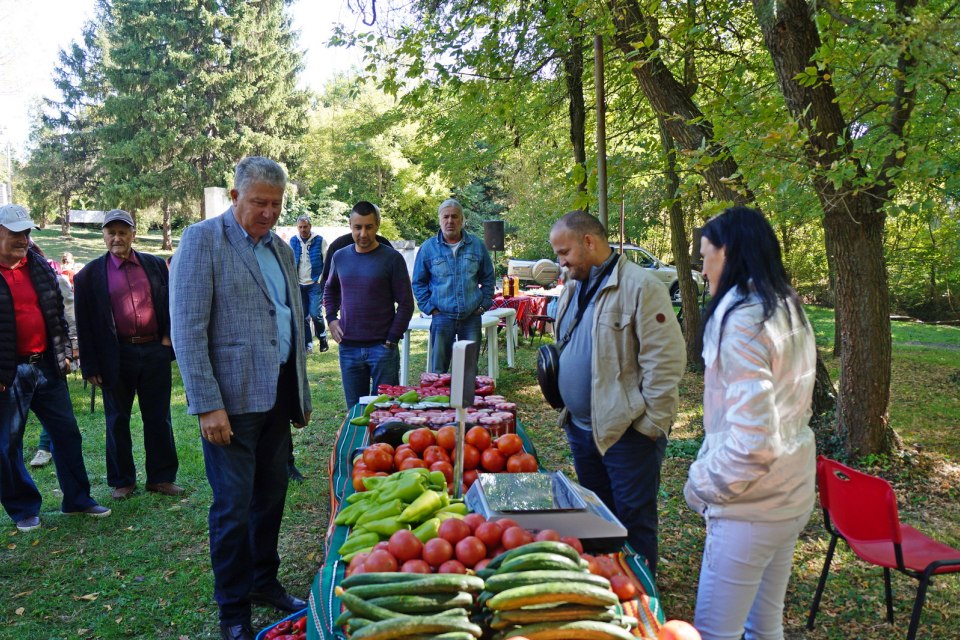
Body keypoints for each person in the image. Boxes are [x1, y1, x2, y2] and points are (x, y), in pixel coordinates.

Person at [170, 157, 312, 640]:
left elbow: (290, 319)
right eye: (259, 203)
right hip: (229, 403)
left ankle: (263, 583)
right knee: (233, 506)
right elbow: (187, 329)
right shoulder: (201, 241)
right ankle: (233, 609)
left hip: (277, 395)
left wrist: (300, 392)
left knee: (271, 498)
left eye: (276, 204)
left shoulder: (282, 250)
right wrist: (207, 403)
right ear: (234, 198)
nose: (269, 213)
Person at [684, 206, 816, 640]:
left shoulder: (743, 320)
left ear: (731, 253)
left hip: (751, 508)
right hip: (787, 496)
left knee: (715, 633)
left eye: (706, 257)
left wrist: (701, 482)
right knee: (765, 626)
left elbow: (754, 443)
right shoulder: (785, 306)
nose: (702, 271)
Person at [549, 210, 685, 578]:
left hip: (627, 435)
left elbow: (666, 362)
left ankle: (640, 592)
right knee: (598, 518)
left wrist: (651, 425)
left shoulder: (642, 286)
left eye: (565, 253)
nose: (561, 262)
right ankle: (610, 589)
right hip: (581, 429)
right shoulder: (575, 284)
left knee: (632, 521)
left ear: (589, 242)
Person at [0, 203, 111, 532]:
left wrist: (64, 351)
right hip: (9, 373)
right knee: (8, 444)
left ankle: (77, 500)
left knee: (67, 434)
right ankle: (23, 508)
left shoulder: (39, 266)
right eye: (14, 233)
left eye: (26, 232)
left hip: (46, 366)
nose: (23, 238)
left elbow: (56, 314)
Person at [74, 209, 182, 501]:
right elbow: (84, 324)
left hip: (154, 350)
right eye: (112, 232)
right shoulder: (88, 276)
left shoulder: (156, 265)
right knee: (117, 419)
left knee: (159, 417)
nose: (117, 238)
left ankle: (161, 478)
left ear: (133, 234)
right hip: (115, 355)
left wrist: (166, 342)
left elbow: (171, 303)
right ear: (104, 236)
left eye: (123, 232)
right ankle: (123, 480)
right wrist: (91, 366)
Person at [324, 201, 414, 409]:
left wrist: (391, 340)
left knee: (385, 413)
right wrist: (331, 319)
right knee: (355, 413)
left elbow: (406, 303)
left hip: (382, 349)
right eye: (358, 227)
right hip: (348, 347)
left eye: (369, 227)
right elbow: (330, 289)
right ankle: (358, 444)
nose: (363, 233)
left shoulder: (392, 259)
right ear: (350, 225)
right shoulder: (340, 256)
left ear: (378, 225)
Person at [412, 198, 495, 373]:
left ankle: (466, 400)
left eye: (455, 216)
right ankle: (440, 400)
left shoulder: (477, 246)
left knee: (469, 368)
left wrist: (482, 305)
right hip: (441, 318)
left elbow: (488, 278)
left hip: (471, 317)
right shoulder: (428, 248)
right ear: (440, 220)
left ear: (462, 219)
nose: (450, 221)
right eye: (446, 217)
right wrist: (430, 308)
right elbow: (418, 282)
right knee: (438, 370)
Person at [26, 242, 78, 468]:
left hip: (49, 361)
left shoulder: (54, 278)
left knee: (64, 427)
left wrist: (71, 349)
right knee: (9, 437)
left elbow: (67, 315)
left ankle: (45, 448)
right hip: (12, 367)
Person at [289, 214, 328, 355]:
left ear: (310, 226)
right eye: (300, 227)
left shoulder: (320, 241)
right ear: (297, 227)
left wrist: (320, 280)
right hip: (299, 285)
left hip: (314, 284)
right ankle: (308, 345)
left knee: (315, 313)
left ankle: (322, 338)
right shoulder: (293, 241)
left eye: (305, 227)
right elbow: (289, 262)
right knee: (303, 316)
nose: (303, 229)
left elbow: (327, 261)